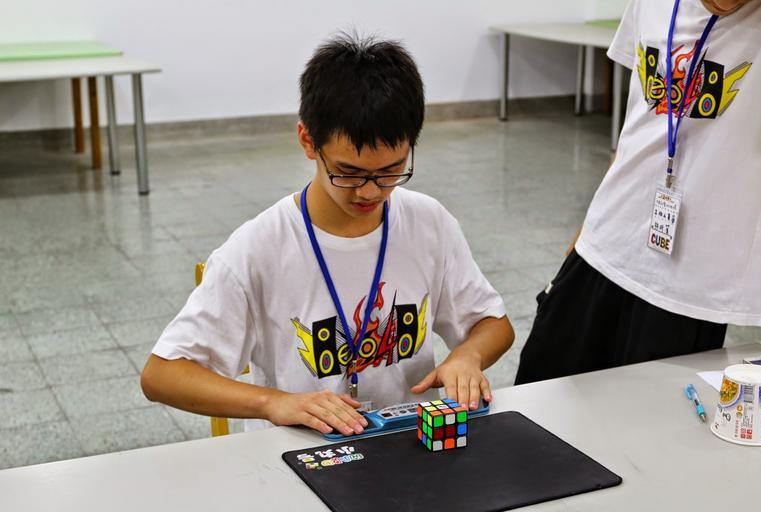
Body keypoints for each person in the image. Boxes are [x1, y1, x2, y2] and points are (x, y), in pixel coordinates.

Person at [141, 33, 515, 436]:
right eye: (348, 172)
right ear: (308, 141)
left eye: (391, 170)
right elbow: (162, 375)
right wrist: (273, 402)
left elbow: (494, 324)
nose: (370, 192)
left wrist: (468, 355)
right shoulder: (258, 249)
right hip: (300, 449)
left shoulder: (429, 223)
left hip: (404, 441)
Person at [516, 0, 761, 385]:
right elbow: (637, 125)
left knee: (642, 413)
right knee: (544, 384)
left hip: (689, 285)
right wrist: (588, 229)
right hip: (607, 242)